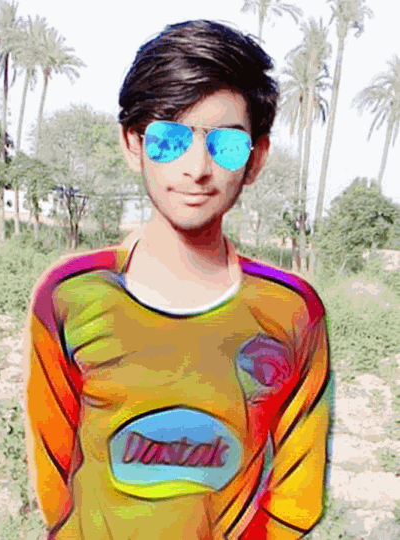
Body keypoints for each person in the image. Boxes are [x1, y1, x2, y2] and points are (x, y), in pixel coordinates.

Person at [23, 19, 333, 540]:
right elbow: (54, 476)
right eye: (169, 139)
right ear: (132, 144)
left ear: (256, 158)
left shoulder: (292, 310)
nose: (196, 168)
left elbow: (295, 497)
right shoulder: (69, 296)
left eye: (226, 145)